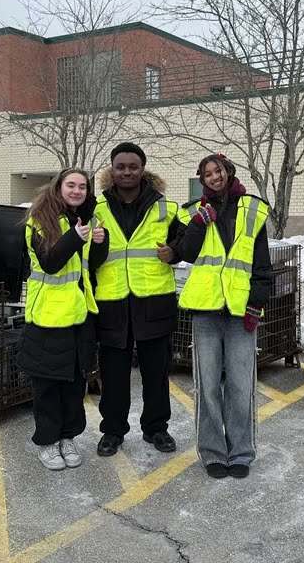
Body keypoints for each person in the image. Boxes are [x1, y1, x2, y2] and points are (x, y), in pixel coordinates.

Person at [176, 153, 271, 479]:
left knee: (241, 386)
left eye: (218, 171)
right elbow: (186, 254)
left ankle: (242, 452)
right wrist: (199, 224)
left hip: (240, 312)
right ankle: (214, 452)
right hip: (206, 312)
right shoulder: (194, 212)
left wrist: (256, 304)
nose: (214, 177)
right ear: (202, 180)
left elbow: (261, 265)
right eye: (207, 174)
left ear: (229, 172)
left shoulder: (252, 210)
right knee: (208, 387)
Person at [92, 142, 189, 457]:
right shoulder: (96, 208)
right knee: (113, 375)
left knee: (156, 374)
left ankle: (156, 429)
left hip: (153, 304)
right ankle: (113, 431)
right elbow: (84, 251)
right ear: (112, 169)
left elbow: (188, 242)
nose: (127, 172)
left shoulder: (166, 207)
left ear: (143, 169)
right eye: (121, 166)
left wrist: (174, 252)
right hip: (112, 304)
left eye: (133, 166)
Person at [18, 168, 107, 471]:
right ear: (59, 187)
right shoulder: (38, 221)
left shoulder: (83, 220)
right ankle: (47, 441)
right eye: (71, 185)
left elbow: (91, 265)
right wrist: (75, 237)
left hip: (79, 315)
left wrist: (98, 242)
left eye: (82, 186)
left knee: (74, 383)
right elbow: (51, 263)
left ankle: (68, 437)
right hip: (48, 315)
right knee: (47, 385)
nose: (77, 191)